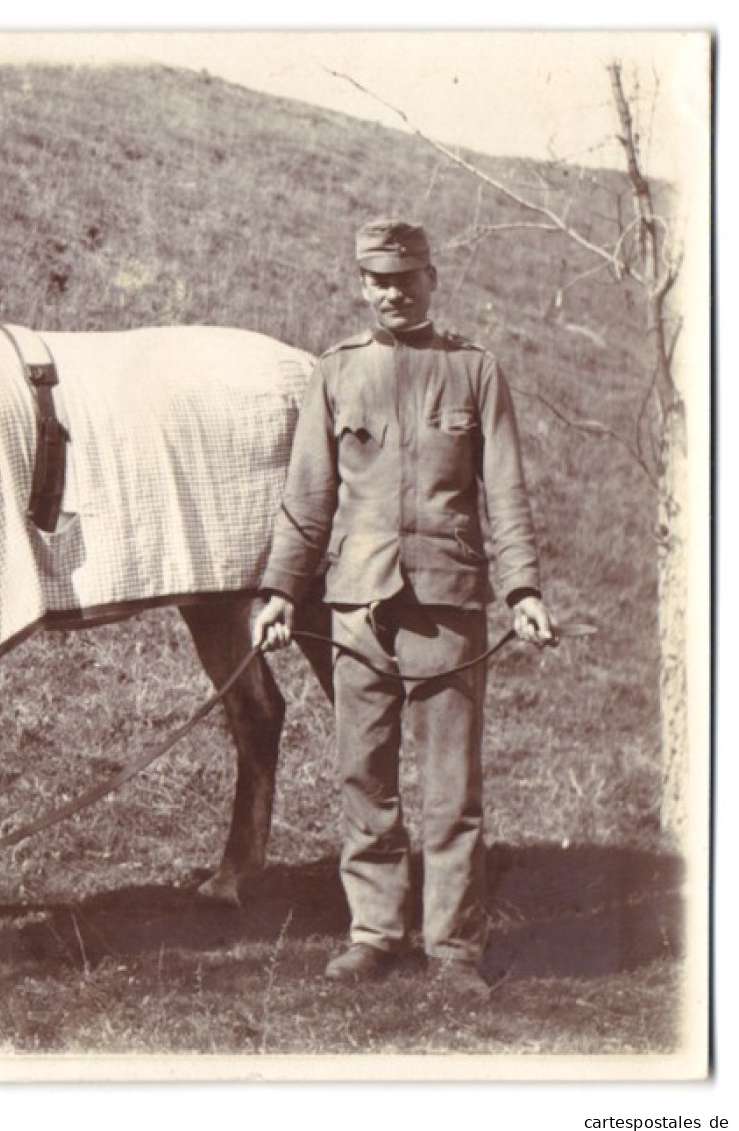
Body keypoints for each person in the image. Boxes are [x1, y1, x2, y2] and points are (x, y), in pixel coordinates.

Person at [252, 218, 556, 995]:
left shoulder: (475, 372)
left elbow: (507, 492)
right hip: (356, 607)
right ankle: (374, 932)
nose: (390, 291)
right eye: (375, 279)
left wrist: (521, 589)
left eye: (404, 276)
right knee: (364, 777)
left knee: (451, 790)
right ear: (361, 284)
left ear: (430, 276)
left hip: (449, 604)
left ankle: (454, 948)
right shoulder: (335, 372)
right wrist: (282, 591)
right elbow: (306, 497)